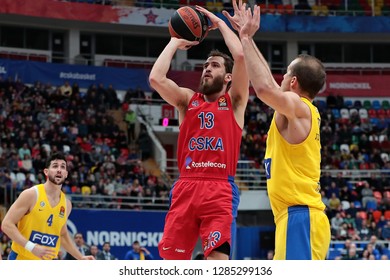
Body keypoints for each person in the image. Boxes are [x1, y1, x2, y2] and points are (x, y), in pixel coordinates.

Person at [225, 1, 330, 259]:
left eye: (284, 74)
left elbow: (264, 89)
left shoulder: (298, 106)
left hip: (300, 216)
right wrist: (249, 39)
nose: (280, 77)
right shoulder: (298, 110)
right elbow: (270, 83)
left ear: (293, 81)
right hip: (297, 217)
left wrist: (246, 37)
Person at [148, 5, 249, 260]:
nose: (206, 69)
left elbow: (239, 55)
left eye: (214, 65)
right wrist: (174, 41)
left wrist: (219, 22)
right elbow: (156, 79)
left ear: (228, 78)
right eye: (205, 65)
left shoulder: (235, 102)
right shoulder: (188, 100)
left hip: (219, 187)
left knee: (218, 262)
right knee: (171, 262)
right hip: (186, 184)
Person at [0, 153, 95, 260]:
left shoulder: (67, 204)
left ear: (66, 174)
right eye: (55, 166)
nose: (59, 170)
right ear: (46, 171)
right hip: (22, 259)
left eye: (62, 167)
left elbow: (62, 234)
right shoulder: (31, 194)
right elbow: (6, 224)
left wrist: (80, 257)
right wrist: (32, 247)